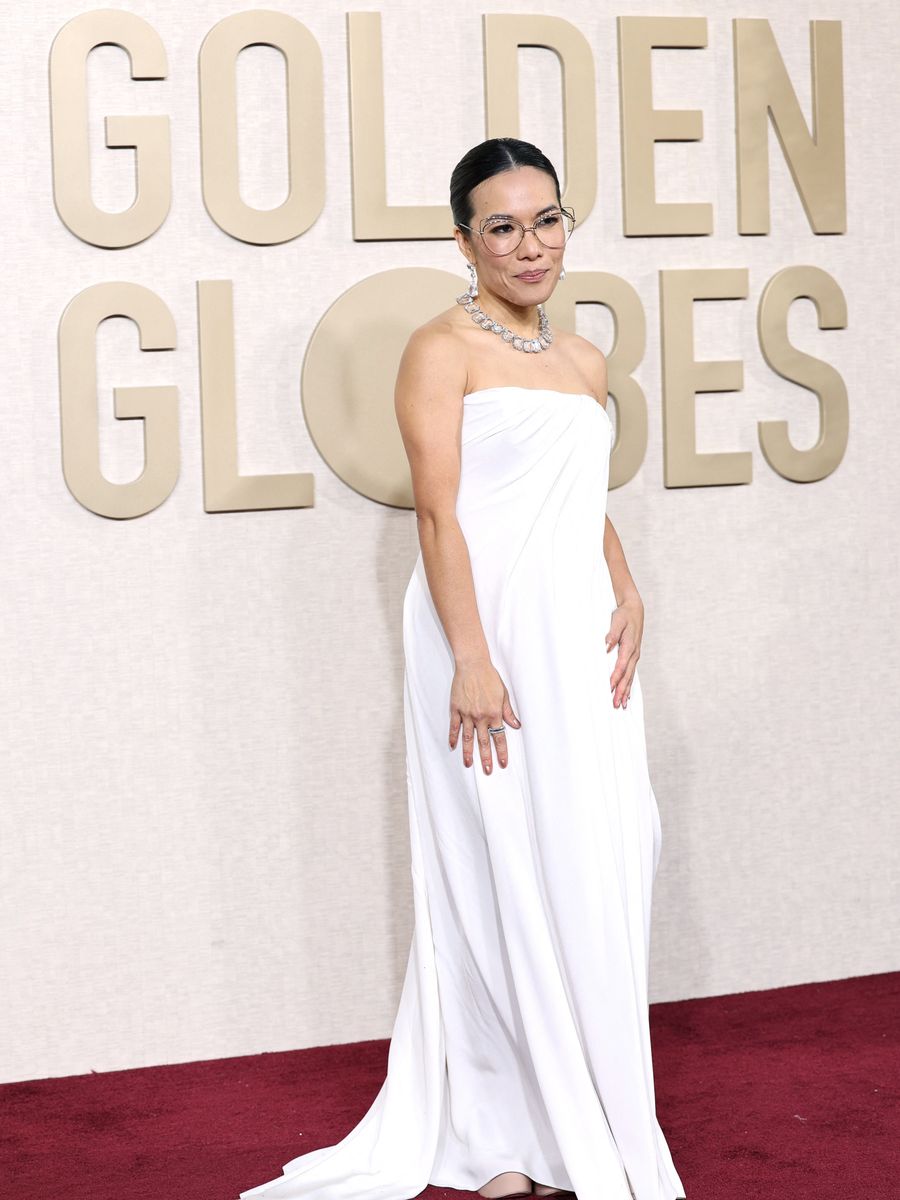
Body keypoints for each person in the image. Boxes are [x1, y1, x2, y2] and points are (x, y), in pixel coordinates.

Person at [239, 137, 687, 1200]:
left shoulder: (582, 358)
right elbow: (440, 513)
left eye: (546, 220)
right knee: (496, 873)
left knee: (603, 854)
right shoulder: (440, 349)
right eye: (503, 225)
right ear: (465, 239)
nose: (530, 245)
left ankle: (582, 1124)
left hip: (578, 632)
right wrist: (471, 659)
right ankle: (502, 1136)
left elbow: (580, 497)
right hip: (483, 638)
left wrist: (626, 587)